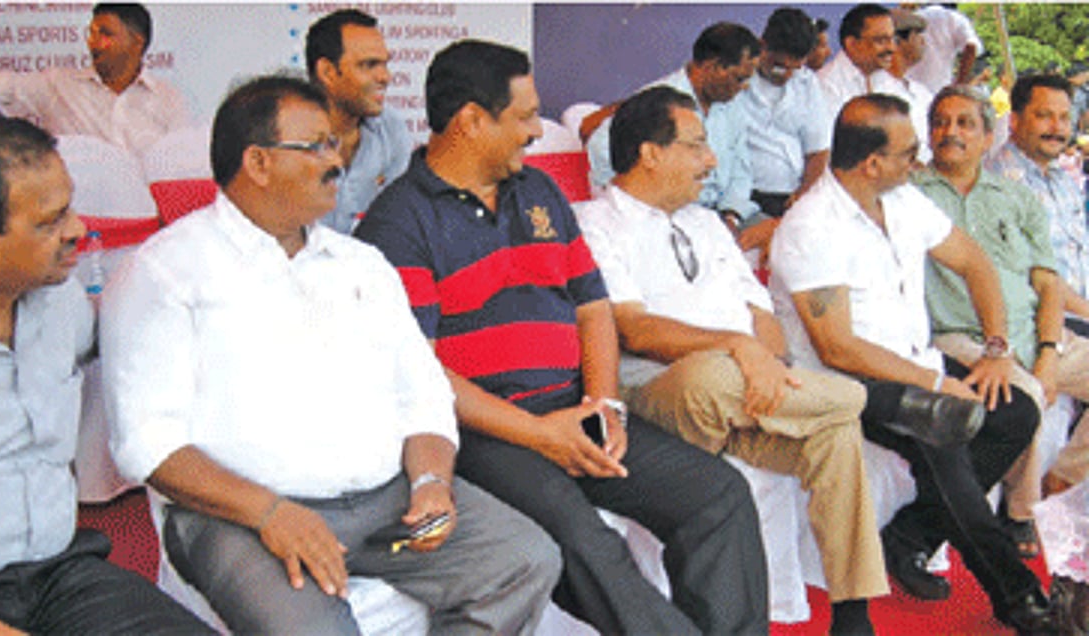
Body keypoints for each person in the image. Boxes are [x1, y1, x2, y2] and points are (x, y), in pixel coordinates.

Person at [101, 74, 560, 634]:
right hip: (242, 518)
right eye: (316, 145)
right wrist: (268, 512)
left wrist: (432, 483)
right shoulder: (165, 270)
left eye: (335, 143)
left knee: (523, 561)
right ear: (258, 163)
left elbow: (422, 393)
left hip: (392, 512)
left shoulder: (360, 263)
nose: (338, 159)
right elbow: (147, 443)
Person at [356, 40, 768, 635]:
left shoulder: (539, 191)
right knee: (583, 540)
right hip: (484, 432)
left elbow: (594, 309)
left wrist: (603, 404)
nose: (534, 132)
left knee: (717, 496)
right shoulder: (399, 221)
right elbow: (418, 372)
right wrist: (540, 435)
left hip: (574, 407)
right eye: (524, 116)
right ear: (472, 121)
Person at [576, 85, 886, 635]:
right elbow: (635, 328)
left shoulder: (704, 224)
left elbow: (762, 316)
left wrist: (765, 358)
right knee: (723, 375)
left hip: (744, 397)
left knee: (834, 434)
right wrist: (740, 349)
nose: (711, 161)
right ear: (651, 152)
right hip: (662, 388)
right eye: (696, 146)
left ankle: (851, 612)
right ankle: (864, 396)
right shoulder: (595, 222)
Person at [0, 104, 210, 635]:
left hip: (60, 574)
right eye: (50, 221)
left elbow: (116, 343)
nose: (79, 230)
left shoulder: (54, 300)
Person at [769, 93, 1057, 632]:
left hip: (914, 365)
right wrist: (935, 383)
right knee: (941, 433)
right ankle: (1023, 602)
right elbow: (837, 348)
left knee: (1017, 412)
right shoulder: (811, 227)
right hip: (844, 383)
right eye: (908, 152)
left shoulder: (900, 200)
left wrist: (996, 351)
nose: (918, 161)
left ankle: (909, 537)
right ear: (872, 162)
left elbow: (974, 262)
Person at [916, 84, 1089, 558]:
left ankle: (1063, 482)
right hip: (963, 336)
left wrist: (1050, 352)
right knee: (1025, 393)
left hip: (1035, 330)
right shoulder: (910, 195)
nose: (951, 132)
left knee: (1045, 376)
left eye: (965, 123)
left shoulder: (1017, 198)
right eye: (941, 123)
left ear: (987, 135)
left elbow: (1049, 286)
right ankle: (1019, 516)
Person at [587, 23, 761, 234]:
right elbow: (600, 147)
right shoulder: (659, 101)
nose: (745, 87)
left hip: (724, 216)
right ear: (711, 67)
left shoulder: (733, 107)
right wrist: (645, 200)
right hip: (672, 213)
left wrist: (732, 216)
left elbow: (742, 173)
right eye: (740, 78)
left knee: (782, 234)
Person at [0, 3, 192, 155]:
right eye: (91, 34)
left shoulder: (168, 99)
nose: (93, 43)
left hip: (144, 216)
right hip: (78, 215)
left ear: (136, 42)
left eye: (105, 34)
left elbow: (178, 167)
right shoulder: (57, 84)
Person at [988, 75, 1089, 319]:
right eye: (1044, 116)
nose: (1057, 128)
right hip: (1045, 323)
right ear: (1014, 120)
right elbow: (1031, 277)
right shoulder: (1000, 184)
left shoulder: (1063, 180)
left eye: (1064, 118)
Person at [732, 8, 829, 257]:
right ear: (762, 46)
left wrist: (800, 201)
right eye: (778, 67)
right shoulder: (735, 79)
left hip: (791, 199)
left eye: (794, 68)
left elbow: (818, 153)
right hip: (743, 200)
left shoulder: (807, 84)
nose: (786, 75)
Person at [306, 9, 411, 234]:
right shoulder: (285, 134)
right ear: (328, 71)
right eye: (369, 65)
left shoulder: (391, 129)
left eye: (385, 64)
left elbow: (399, 223)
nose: (385, 77)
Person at [816, 4, 897, 127]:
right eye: (881, 41)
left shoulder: (886, 80)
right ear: (852, 44)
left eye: (893, 39)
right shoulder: (826, 85)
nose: (892, 48)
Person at [884, 8, 935, 165]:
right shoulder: (878, 90)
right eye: (917, 35)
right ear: (898, 42)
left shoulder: (921, 91)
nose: (923, 42)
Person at [906, 3, 984, 94]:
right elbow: (972, 46)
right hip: (940, 89)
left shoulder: (912, 18)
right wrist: (960, 82)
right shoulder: (955, 19)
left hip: (910, 87)